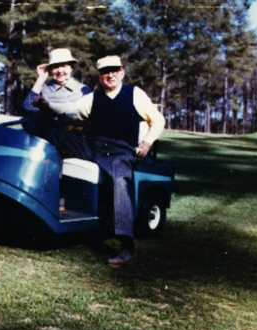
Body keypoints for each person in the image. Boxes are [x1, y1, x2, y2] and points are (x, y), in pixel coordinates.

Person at [35, 55, 165, 267]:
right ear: (99, 75)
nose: (110, 75)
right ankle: (53, 199)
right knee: (55, 135)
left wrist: (148, 142)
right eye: (106, 71)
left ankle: (127, 246)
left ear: (122, 72)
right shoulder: (93, 98)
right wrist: (46, 104)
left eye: (115, 70)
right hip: (93, 146)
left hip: (120, 151)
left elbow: (158, 120)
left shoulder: (134, 94)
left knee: (119, 181)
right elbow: (68, 109)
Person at [23, 48, 91, 116]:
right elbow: (27, 109)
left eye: (64, 66)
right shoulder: (44, 89)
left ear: (71, 68)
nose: (60, 71)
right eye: (55, 67)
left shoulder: (84, 89)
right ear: (50, 70)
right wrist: (41, 78)